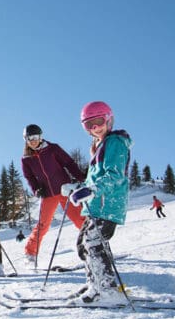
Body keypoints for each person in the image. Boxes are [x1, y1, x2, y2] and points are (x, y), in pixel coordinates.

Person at [68, 101, 132, 304]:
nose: (95, 128)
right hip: (95, 206)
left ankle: (106, 289)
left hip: (109, 203)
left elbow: (114, 175)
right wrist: (78, 187)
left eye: (98, 122)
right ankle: (95, 283)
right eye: (89, 125)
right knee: (82, 245)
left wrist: (92, 189)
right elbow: (93, 178)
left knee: (94, 242)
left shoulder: (115, 142)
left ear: (109, 119)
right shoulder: (98, 146)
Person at [20, 123, 86, 267]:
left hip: (65, 189)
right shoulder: (26, 159)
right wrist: (36, 189)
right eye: (29, 138)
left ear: (41, 136)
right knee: (42, 225)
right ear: (25, 140)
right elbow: (30, 178)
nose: (33, 140)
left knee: (80, 219)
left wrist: (80, 177)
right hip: (48, 194)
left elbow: (69, 163)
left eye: (36, 137)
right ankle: (30, 253)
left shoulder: (52, 149)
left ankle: (95, 246)